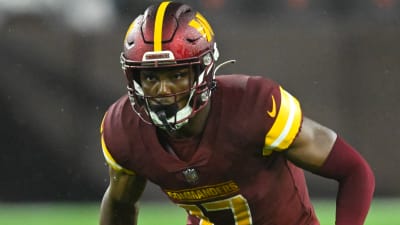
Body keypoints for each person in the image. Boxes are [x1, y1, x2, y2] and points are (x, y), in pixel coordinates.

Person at [99, 1, 375, 225]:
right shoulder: (123, 129)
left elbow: (354, 171)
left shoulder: (253, 107)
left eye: (178, 75)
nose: (163, 90)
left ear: (203, 70)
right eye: (150, 78)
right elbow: (120, 204)